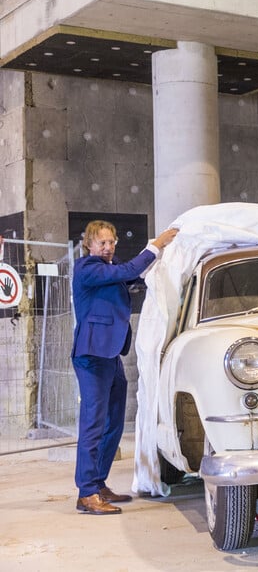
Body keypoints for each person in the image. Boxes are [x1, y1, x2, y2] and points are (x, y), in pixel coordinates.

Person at [71, 220, 178, 515]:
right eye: (102, 243)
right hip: (92, 356)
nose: (108, 248)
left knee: (114, 422)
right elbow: (128, 271)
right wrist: (156, 246)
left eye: (111, 242)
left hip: (110, 356)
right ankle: (86, 493)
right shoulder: (88, 268)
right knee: (93, 424)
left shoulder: (111, 267)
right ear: (89, 245)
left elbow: (133, 277)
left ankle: (99, 483)